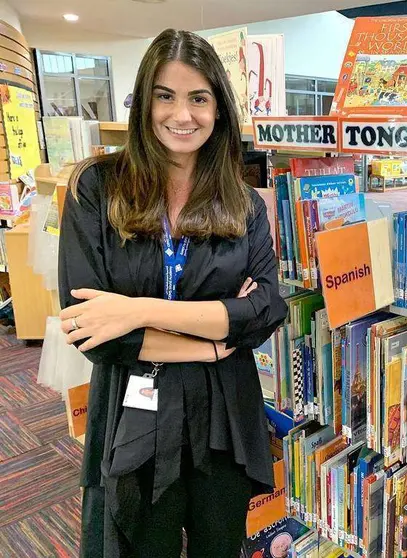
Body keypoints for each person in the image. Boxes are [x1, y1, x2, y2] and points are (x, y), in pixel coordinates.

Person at [57, 29, 287, 558]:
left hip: (224, 411)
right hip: (135, 403)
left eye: (198, 98)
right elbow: (89, 329)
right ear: (144, 102)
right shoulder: (97, 187)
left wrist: (134, 309)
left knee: (219, 543)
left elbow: (264, 311)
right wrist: (211, 338)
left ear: (218, 108)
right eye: (166, 95)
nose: (182, 115)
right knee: (139, 541)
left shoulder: (242, 202)